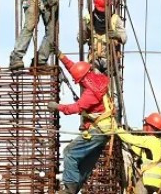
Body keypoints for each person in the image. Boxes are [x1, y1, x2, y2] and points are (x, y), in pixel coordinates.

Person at [47, 53, 112, 194]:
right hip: (105, 131)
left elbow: (74, 108)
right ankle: (74, 188)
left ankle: (70, 188)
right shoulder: (99, 79)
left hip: (98, 131)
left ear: (82, 80)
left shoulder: (90, 94)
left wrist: (57, 106)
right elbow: (75, 69)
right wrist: (61, 56)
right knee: (86, 162)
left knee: (70, 152)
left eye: (79, 82)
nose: (80, 84)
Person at [117, 113, 161, 194]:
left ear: (150, 126)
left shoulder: (149, 140)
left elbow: (130, 138)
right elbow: (146, 155)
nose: (144, 126)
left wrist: (117, 129)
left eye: (145, 124)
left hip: (148, 181)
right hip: (158, 184)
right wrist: (130, 148)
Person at [78, 0, 126, 70]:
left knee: (109, 80)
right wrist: (85, 30)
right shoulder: (89, 19)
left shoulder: (114, 19)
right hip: (94, 59)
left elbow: (124, 38)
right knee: (94, 75)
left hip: (110, 60)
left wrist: (116, 35)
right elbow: (80, 40)